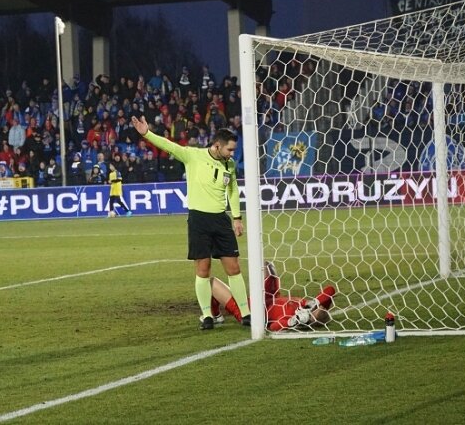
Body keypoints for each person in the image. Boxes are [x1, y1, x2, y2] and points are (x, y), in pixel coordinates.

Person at [131, 115, 250, 330]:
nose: (232, 154)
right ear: (217, 146)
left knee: (233, 267)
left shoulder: (230, 165)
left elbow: (232, 190)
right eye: (230, 150)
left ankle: (246, 313)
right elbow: (169, 144)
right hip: (199, 220)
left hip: (221, 220)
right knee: (202, 269)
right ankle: (207, 316)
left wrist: (237, 217)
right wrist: (146, 134)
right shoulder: (192, 156)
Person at [209, 262, 336, 331]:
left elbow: (273, 327)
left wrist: (294, 321)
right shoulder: (306, 306)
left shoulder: (291, 317)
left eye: (315, 309)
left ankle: (215, 315)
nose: (315, 307)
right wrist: (313, 303)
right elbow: (330, 290)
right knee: (268, 267)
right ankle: (216, 312)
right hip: (271, 297)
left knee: (211, 283)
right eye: (319, 307)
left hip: (251, 309)